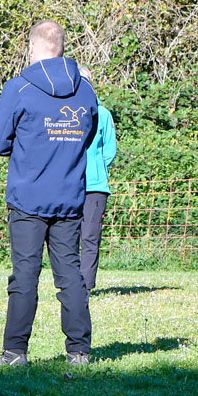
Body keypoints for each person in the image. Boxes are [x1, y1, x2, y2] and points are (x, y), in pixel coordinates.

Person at [0, 20, 99, 367]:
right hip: (69, 197)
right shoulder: (86, 90)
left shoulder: (18, 88)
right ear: (61, 48)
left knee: (24, 276)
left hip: (27, 199)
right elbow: (88, 137)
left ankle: (15, 352)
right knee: (71, 276)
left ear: (33, 49)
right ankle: (79, 352)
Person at [79, 78, 117, 292]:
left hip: (95, 187)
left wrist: (96, 170)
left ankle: (85, 286)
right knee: (67, 237)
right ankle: (70, 284)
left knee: (90, 237)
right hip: (69, 184)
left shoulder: (103, 114)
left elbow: (110, 151)